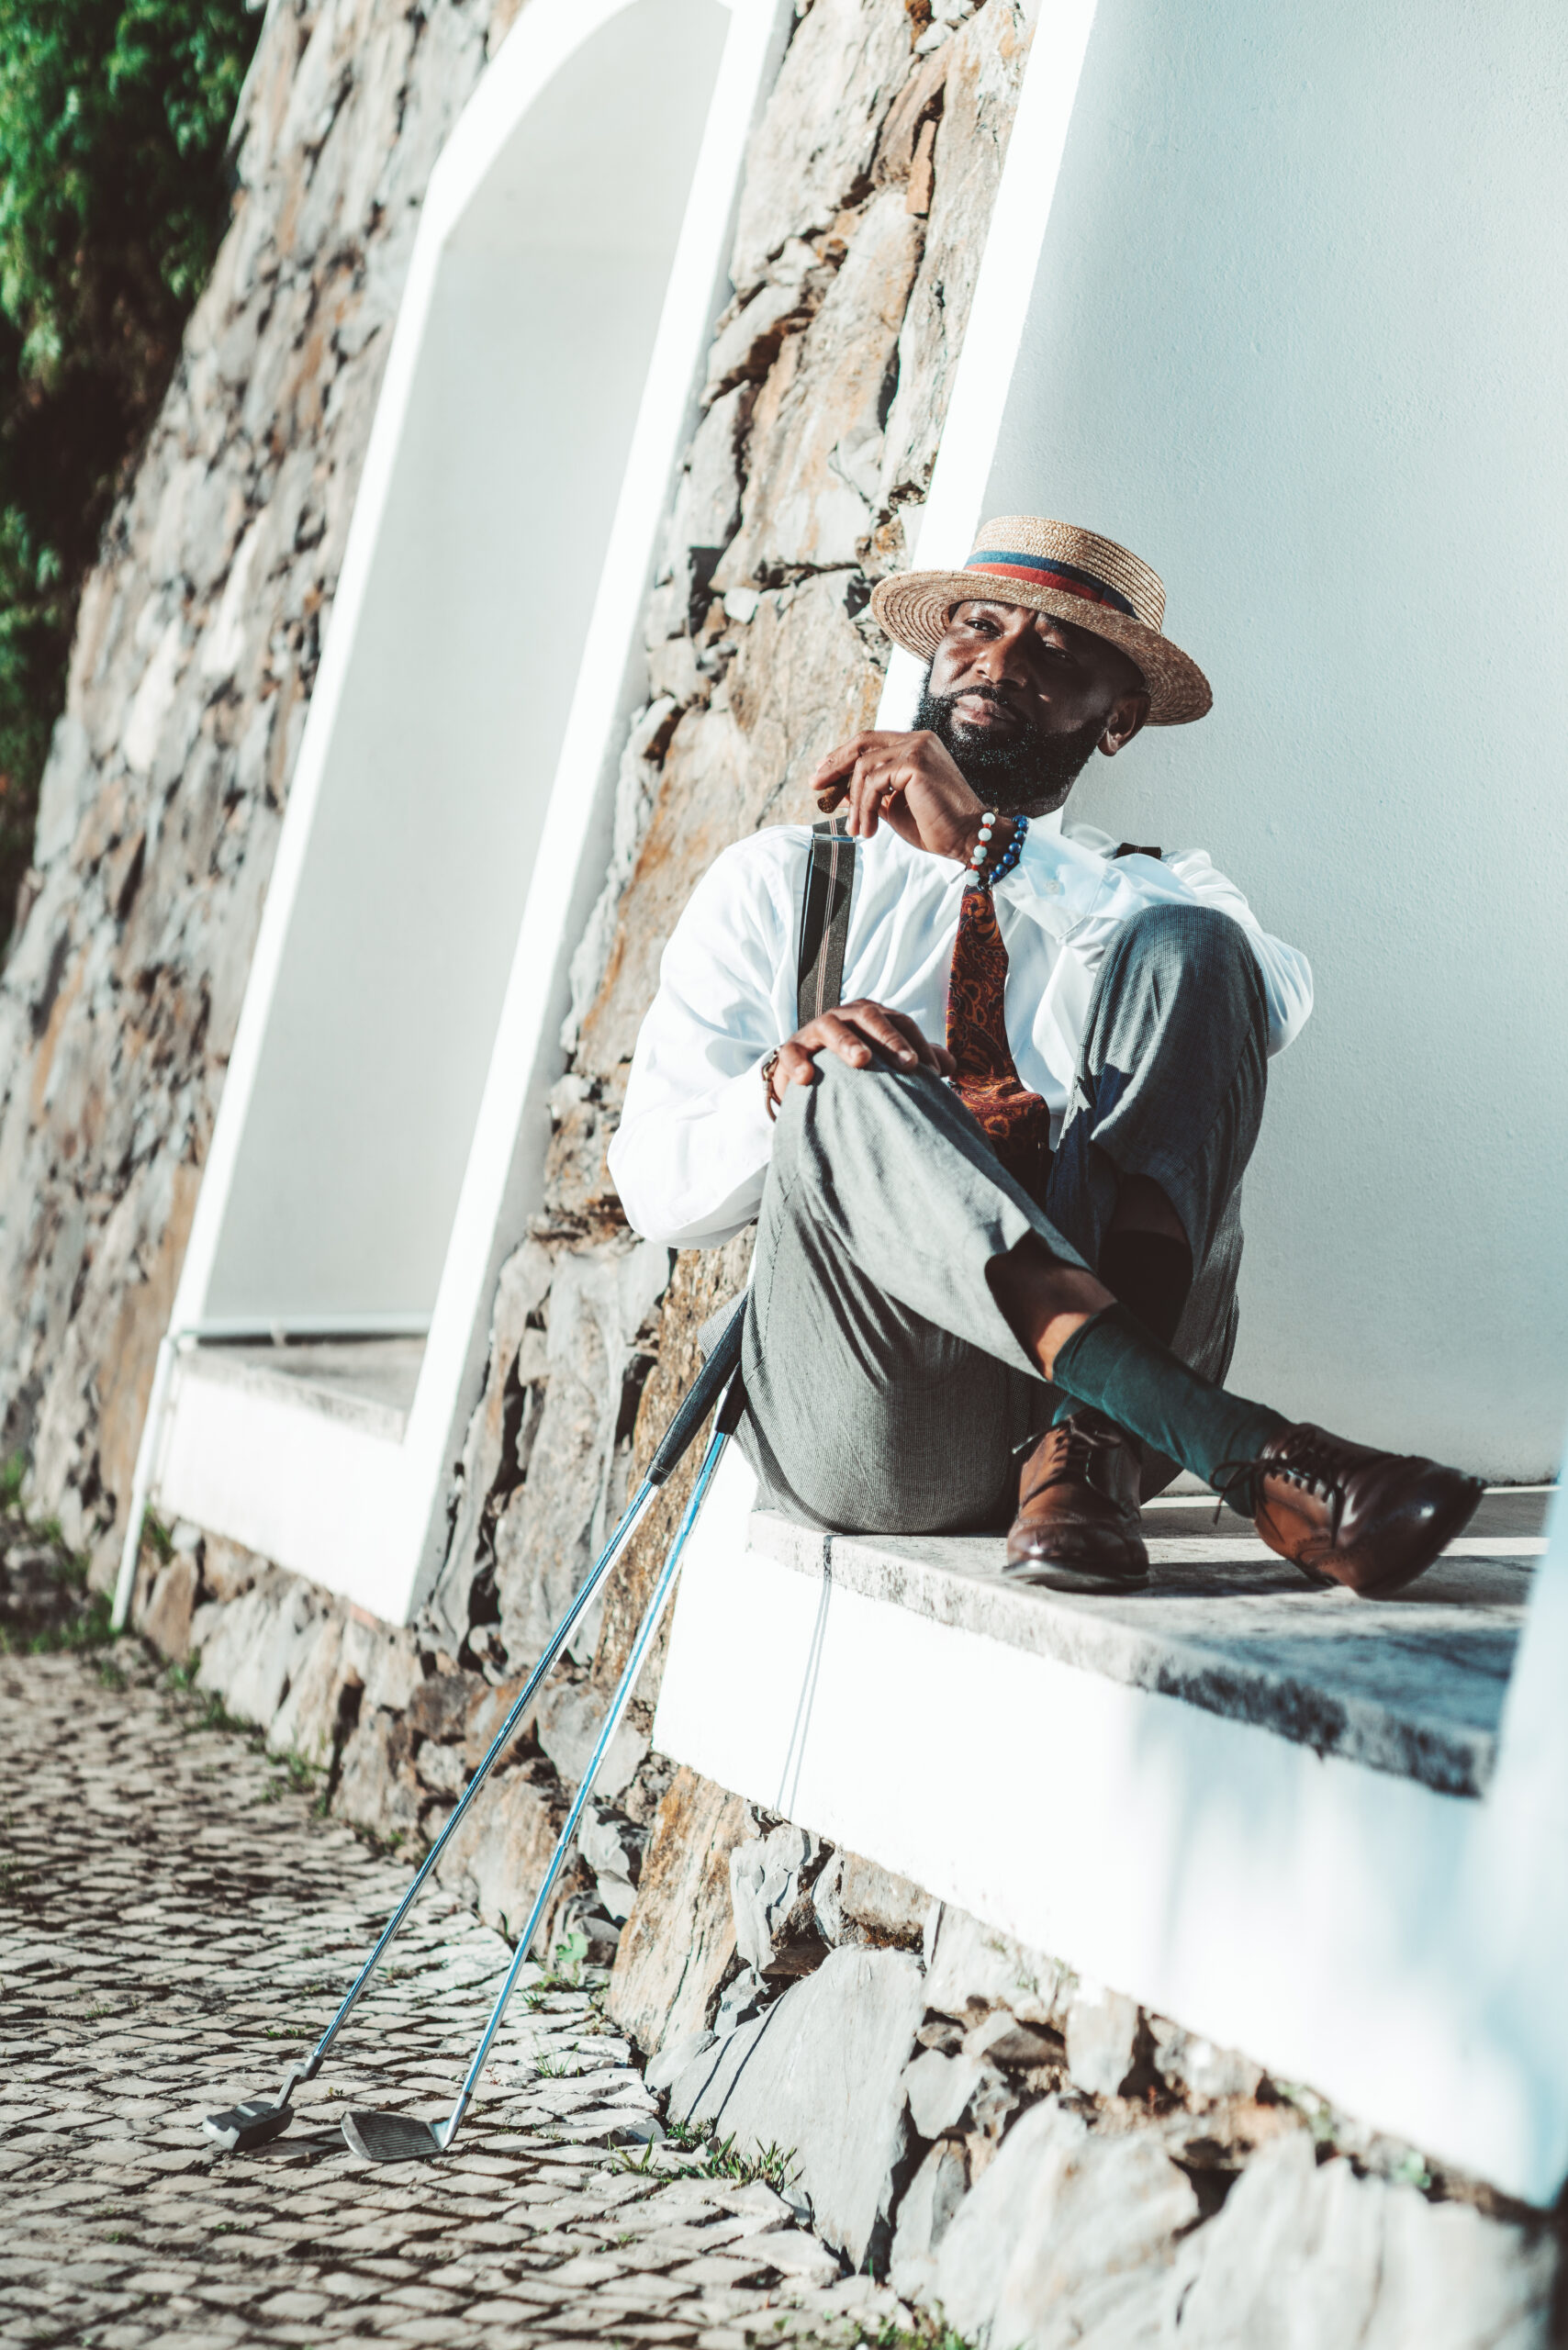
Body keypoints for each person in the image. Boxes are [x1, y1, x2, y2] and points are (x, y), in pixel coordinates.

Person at [607, 516, 1480, 1595]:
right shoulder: (781, 880)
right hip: (880, 1412)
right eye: (977, 626)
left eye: (1057, 650)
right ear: (936, 656)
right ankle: (1235, 1442)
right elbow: (656, 1188)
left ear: (1115, 723)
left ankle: (1091, 1437)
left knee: (1200, 952)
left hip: (1096, 1468)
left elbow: (1270, 996)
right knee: (847, 1071)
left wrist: (1000, 852)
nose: (1003, 662)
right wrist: (787, 1091)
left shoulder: (1155, 893)